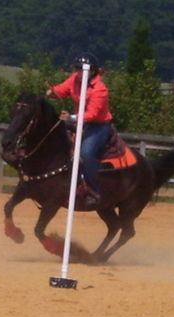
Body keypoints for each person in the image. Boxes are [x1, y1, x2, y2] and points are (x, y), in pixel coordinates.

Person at [46, 52, 113, 208]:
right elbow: (62, 90)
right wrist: (52, 92)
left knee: (86, 153)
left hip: (98, 126)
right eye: (78, 69)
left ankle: (93, 191)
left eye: (84, 69)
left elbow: (93, 114)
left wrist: (72, 118)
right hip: (78, 122)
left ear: (93, 71)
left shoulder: (100, 89)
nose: (80, 72)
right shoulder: (74, 80)